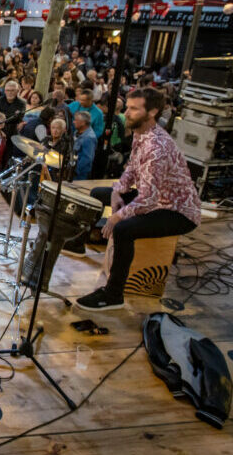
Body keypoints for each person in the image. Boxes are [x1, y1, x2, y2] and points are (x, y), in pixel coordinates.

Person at [77, 88, 200, 312]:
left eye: (134, 109)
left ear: (152, 112)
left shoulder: (157, 147)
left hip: (177, 211)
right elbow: (132, 168)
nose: (126, 113)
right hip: (156, 198)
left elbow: (148, 200)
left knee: (123, 229)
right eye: (127, 108)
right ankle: (78, 242)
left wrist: (117, 216)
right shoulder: (140, 133)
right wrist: (117, 191)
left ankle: (113, 294)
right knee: (98, 194)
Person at [72, 110, 97, 181]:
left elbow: (87, 158)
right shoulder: (77, 132)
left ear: (83, 122)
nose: (73, 122)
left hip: (80, 174)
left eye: (76, 120)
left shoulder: (89, 138)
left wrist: (75, 170)